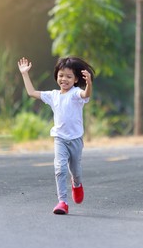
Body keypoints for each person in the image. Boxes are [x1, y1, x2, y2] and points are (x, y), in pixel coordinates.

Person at [17, 56, 95, 215]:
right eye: (61, 75)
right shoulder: (53, 95)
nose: (64, 79)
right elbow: (31, 92)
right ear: (56, 77)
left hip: (75, 140)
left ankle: (77, 184)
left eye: (68, 76)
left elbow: (86, 95)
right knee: (59, 168)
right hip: (60, 139)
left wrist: (89, 83)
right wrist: (25, 73)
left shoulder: (75, 93)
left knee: (76, 171)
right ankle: (63, 202)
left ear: (75, 80)